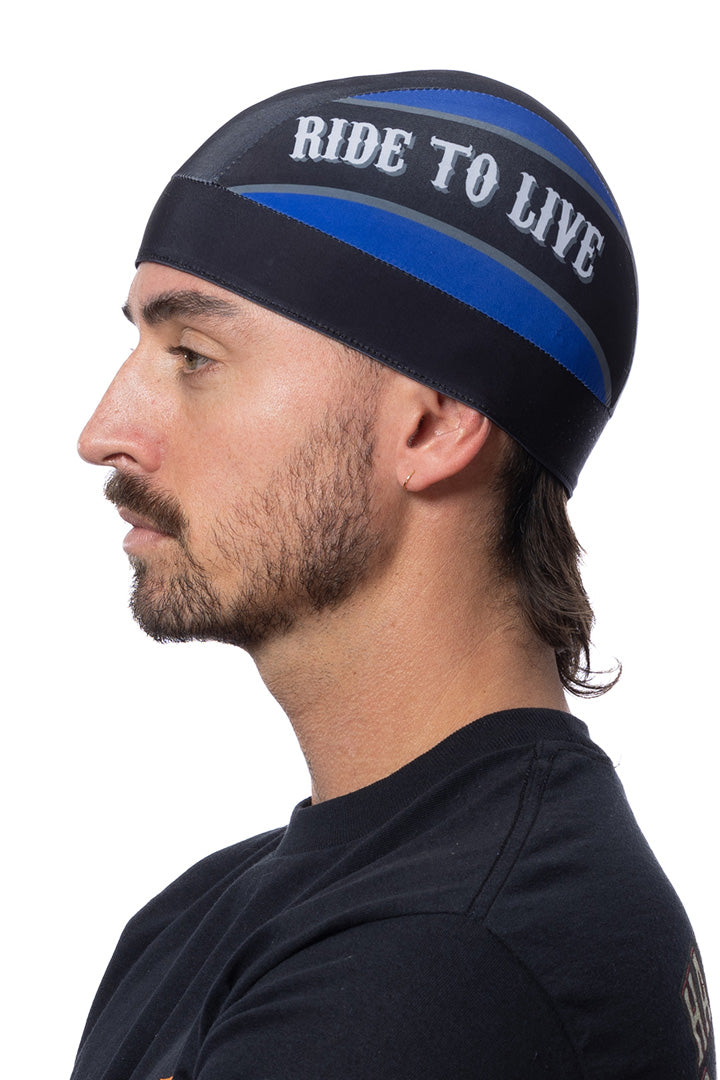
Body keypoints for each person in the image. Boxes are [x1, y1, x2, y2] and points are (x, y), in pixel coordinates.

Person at [71, 69, 714, 1079]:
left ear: (434, 424)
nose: (103, 433)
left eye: (192, 355)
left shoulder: (441, 966)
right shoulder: (214, 918)